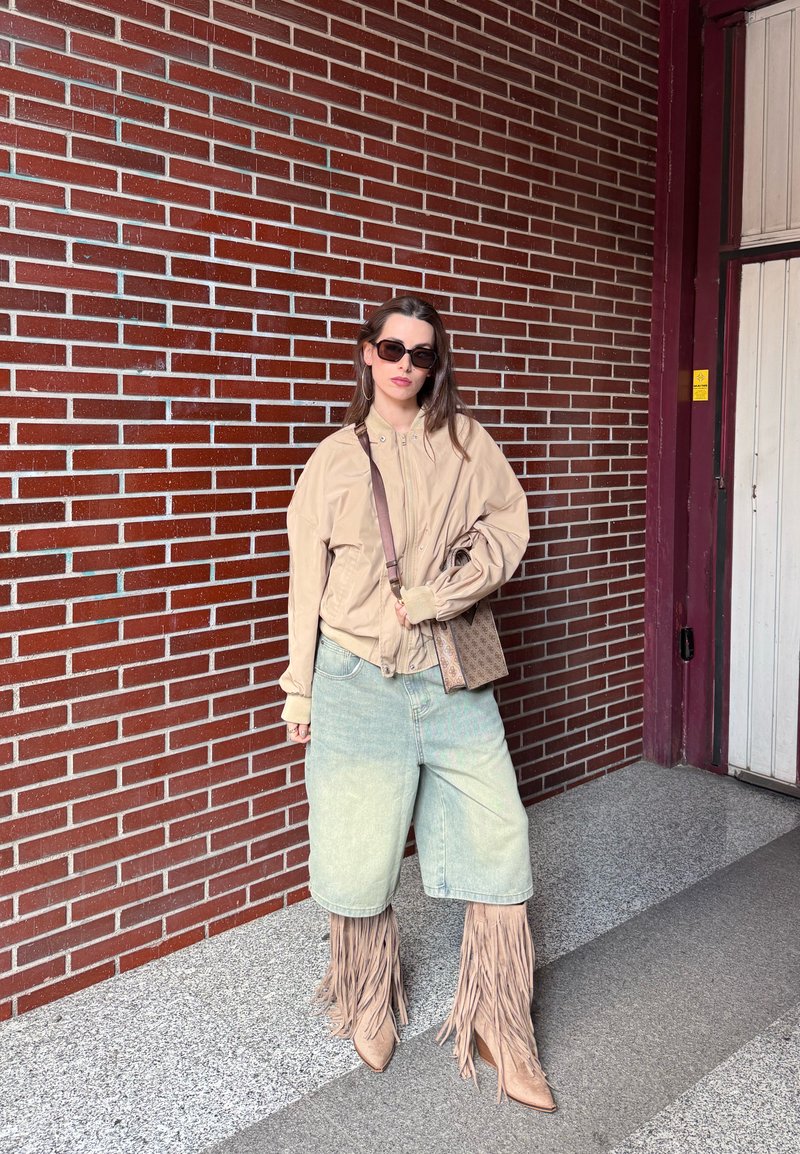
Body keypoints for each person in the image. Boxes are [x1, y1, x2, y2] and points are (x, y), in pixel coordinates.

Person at [279, 295, 555, 1112]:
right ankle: (368, 995)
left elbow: (510, 526)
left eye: (423, 353)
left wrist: (441, 593)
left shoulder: (466, 444)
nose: (406, 364)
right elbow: (306, 584)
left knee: (500, 842)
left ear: (437, 364)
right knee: (357, 855)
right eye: (393, 348)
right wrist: (300, 688)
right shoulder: (333, 459)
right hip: (355, 681)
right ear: (367, 355)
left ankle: (499, 1021)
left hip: (447, 679)